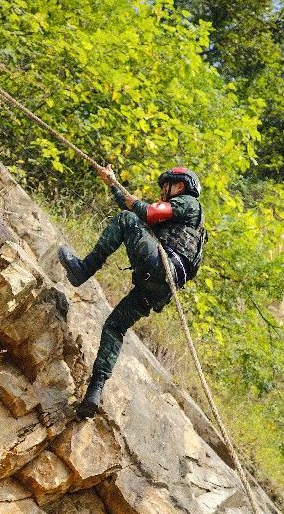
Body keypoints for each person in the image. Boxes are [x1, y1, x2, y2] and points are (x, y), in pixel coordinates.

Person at [58, 165, 206, 418]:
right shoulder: (178, 219)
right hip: (158, 287)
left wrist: (137, 203)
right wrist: (113, 184)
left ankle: (84, 269)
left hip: (162, 266)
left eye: (166, 186)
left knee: (126, 220)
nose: (162, 191)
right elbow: (138, 211)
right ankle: (94, 392)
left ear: (180, 186)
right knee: (115, 326)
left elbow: (145, 213)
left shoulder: (189, 203)